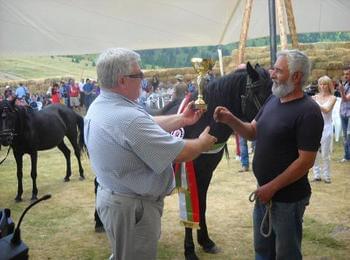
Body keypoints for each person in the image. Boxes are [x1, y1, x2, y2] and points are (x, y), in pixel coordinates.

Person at [84, 47, 217, 260]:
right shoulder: (127, 117)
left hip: (118, 200)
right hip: (132, 208)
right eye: (138, 75)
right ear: (122, 80)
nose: (143, 79)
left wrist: (180, 119)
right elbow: (180, 152)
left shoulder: (104, 104)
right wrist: (202, 143)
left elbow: (146, 123)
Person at [214, 49, 323, 259]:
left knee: (286, 255)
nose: (271, 74)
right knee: (262, 252)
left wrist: (271, 188)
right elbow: (252, 132)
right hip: (264, 194)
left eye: (278, 70)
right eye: (273, 69)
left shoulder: (309, 111)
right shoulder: (273, 100)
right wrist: (230, 119)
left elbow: (305, 162)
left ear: (297, 76)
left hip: (287, 200)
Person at [312, 76, 336, 183]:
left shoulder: (332, 98)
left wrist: (315, 103)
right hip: (315, 126)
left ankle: (327, 176)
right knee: (314, 152)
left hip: (327, 126)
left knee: (325, 153)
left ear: (329, 85)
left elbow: (326, 110)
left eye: (325, 84)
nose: (323, 86)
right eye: (321, 84)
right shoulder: (315, 97)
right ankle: (317, 174)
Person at [339, 65, 350, 162]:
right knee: (345, 135)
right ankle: (347, 156)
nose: (345, 76)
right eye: (344, 74)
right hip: (343, 113)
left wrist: (341, 91)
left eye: (347, 74)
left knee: (349, 135)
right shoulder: (346, 84)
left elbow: (345, 99)